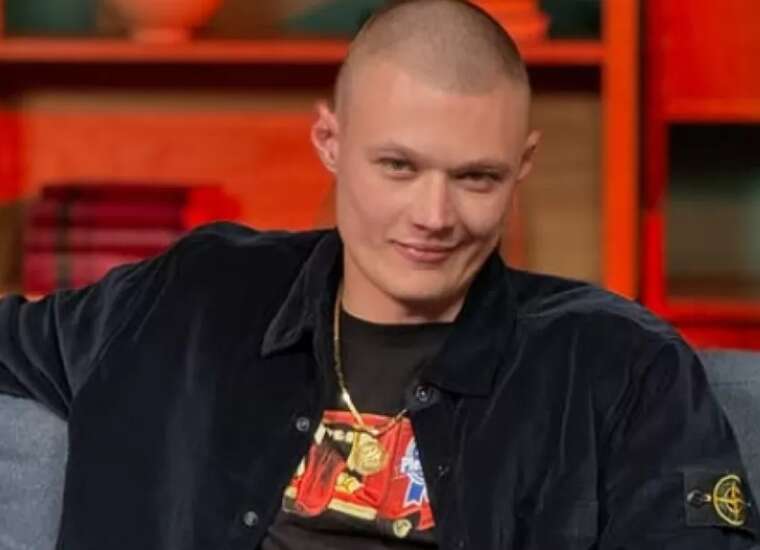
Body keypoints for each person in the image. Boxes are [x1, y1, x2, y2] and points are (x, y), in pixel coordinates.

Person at [0, 1, 758, 548]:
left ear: (522, 166)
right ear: (329, 141)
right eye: (398, 166)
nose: (434, 216)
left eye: (476, 178)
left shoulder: (619, 367)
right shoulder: (190, 297)